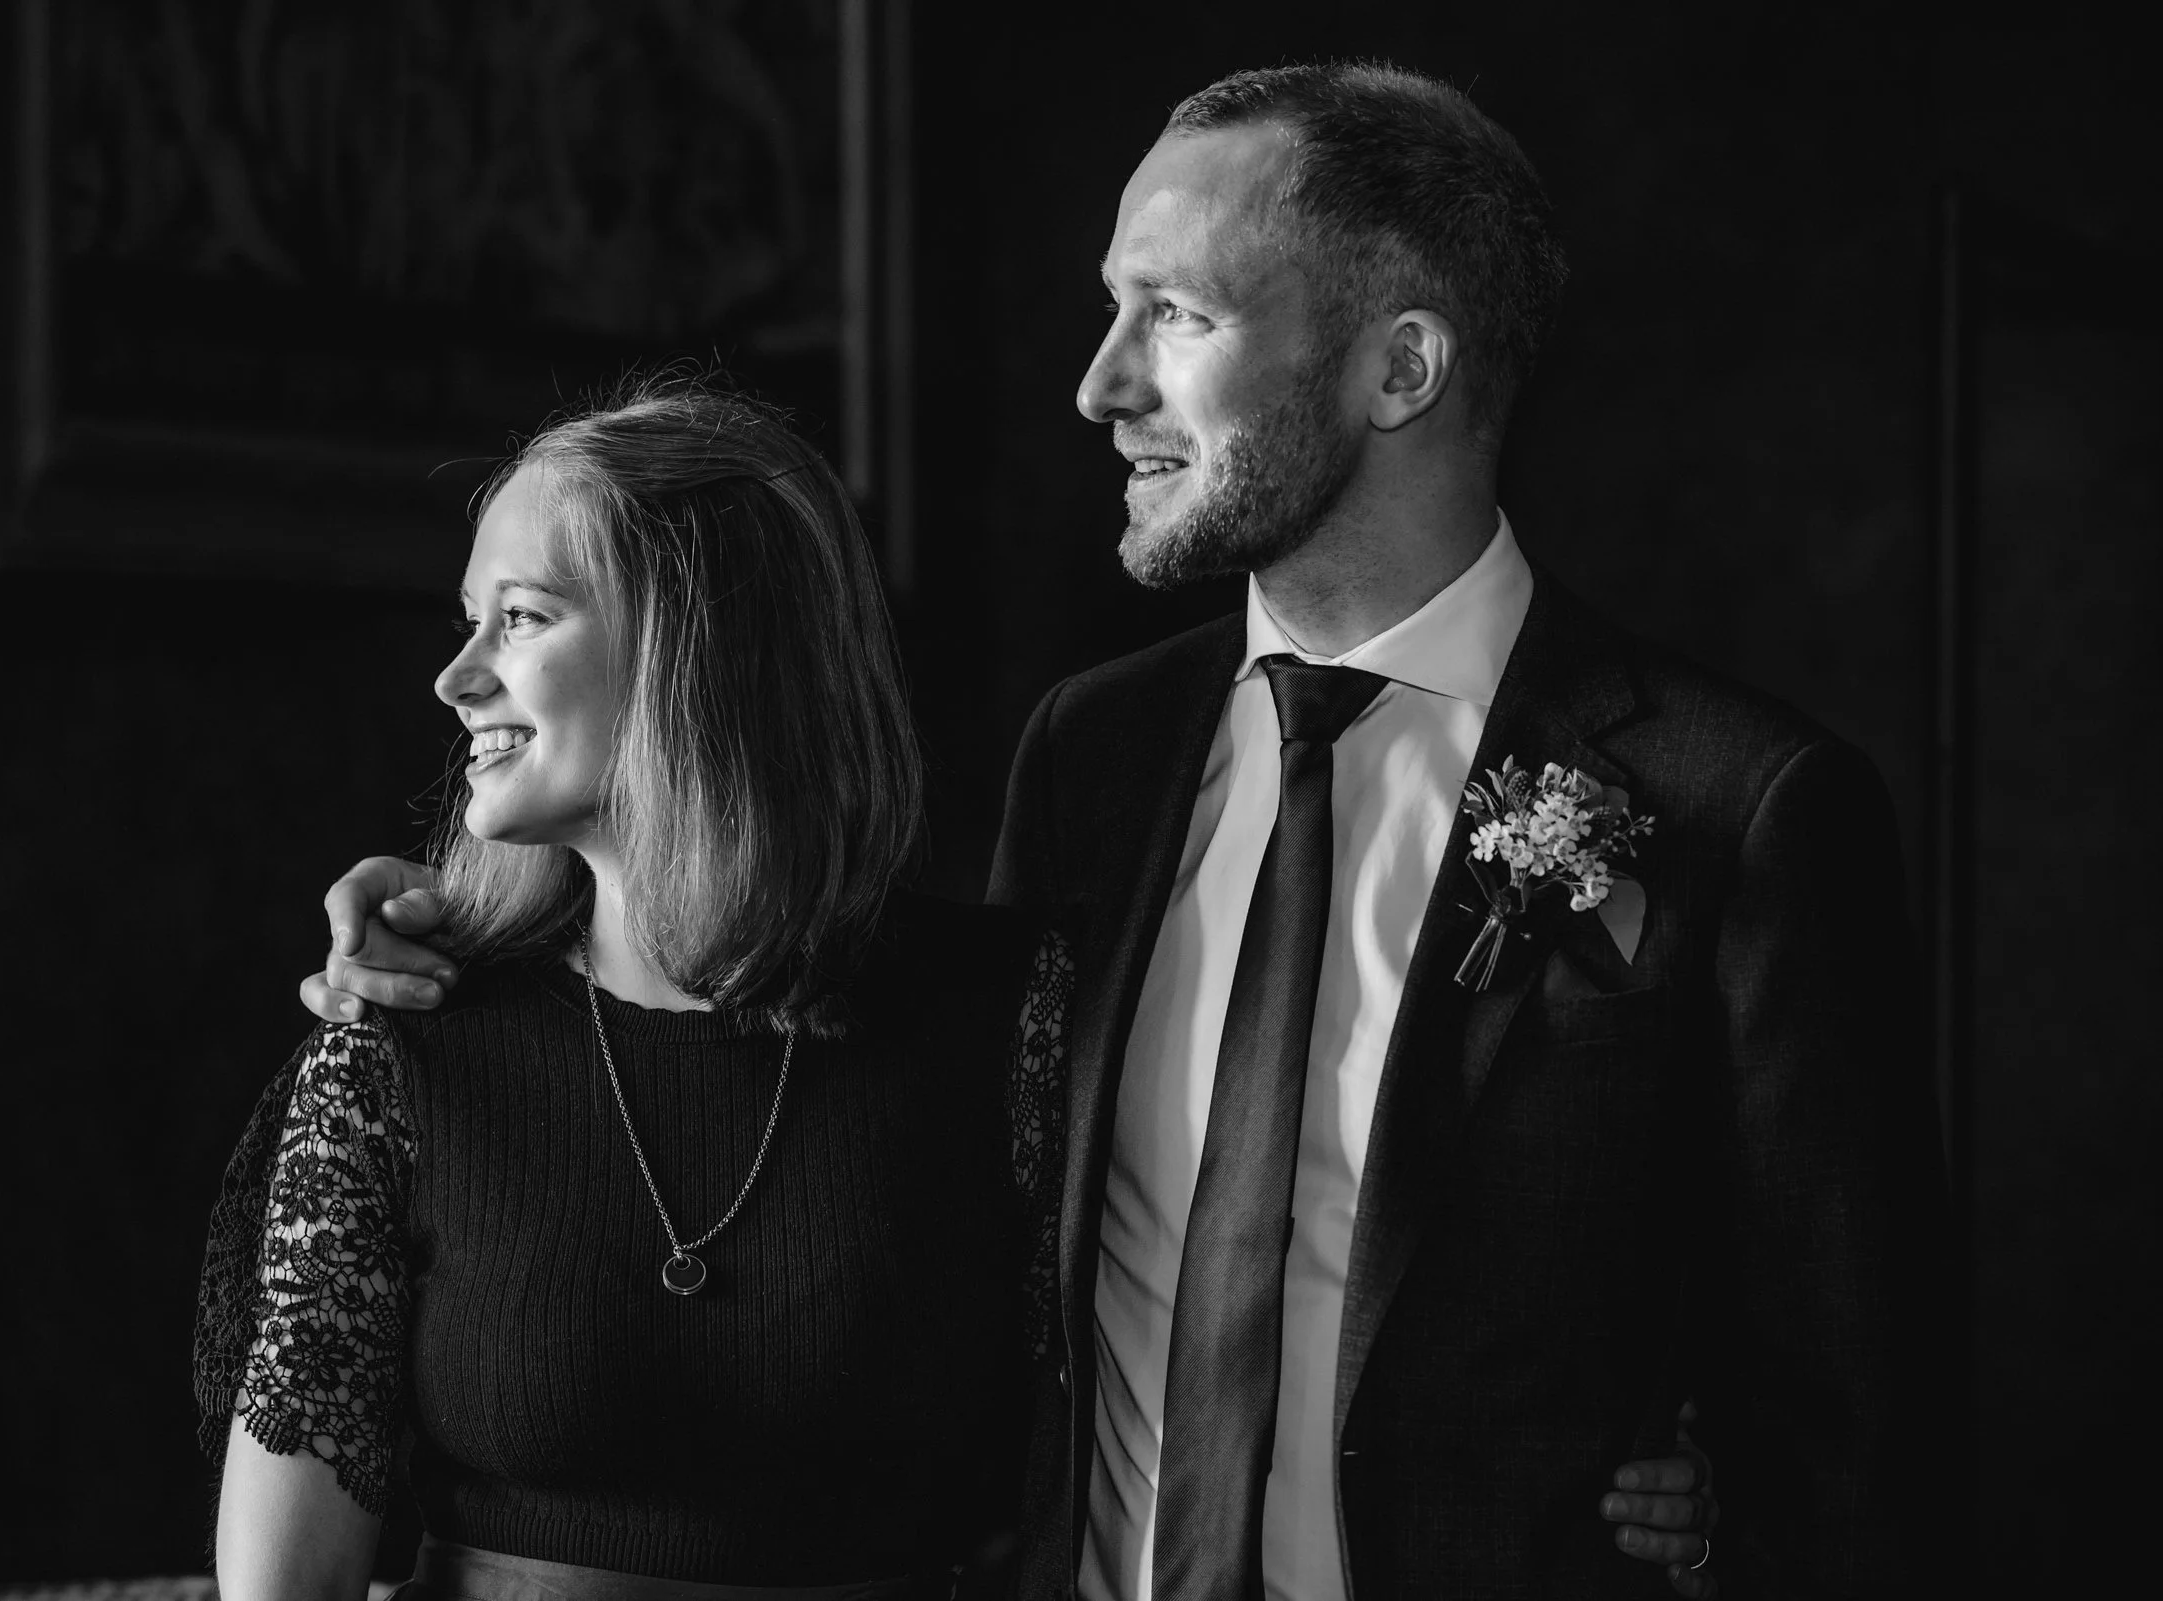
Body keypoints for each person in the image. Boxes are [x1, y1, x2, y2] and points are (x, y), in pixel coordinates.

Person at [292, 62, 1938, 1598]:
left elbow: (1853, 1423)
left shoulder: (1739, 805)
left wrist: (1724, 1503)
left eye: (1177, 312)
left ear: (1402, 367)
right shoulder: (1097, 752)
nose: (1102, 385)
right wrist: (468, 932)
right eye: (1109, 312)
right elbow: (856, 1089)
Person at [198, 381, 1058, 1600]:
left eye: (521, 617)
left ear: (700, 646)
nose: (455, 676)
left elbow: (1098, 1481)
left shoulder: (1008, 1016)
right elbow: (283, 1585)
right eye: (468, 619)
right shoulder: (403, 1041)